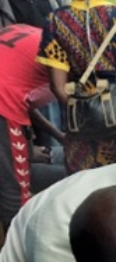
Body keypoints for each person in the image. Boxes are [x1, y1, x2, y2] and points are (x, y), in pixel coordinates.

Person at [37, 0, 116, 173]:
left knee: (82, 188)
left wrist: (84, 114)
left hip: (80, 128)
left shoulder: (55, 21)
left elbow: (57, 86)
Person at [0, 24, 66, 237]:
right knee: (17, 190)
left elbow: (26, 99)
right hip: (3, 103)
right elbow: (60, 90)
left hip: (6, 97)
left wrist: (59, 136)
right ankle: (16, 259)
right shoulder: (65, 54)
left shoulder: (29, 31)